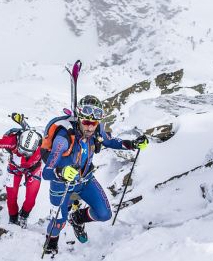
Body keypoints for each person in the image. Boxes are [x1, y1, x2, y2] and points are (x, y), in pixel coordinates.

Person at [41, 95, 148, 255]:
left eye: (94, 123)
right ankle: (50, 246)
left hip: (85, 180)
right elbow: (46, 172)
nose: (90, 127)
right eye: (86, 122)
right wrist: (61, 172)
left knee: (104, 214)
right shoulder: (63, 139)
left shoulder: (97, 130)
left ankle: (77, 218)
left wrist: (132, 144)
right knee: (58, 221)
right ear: (79, 118)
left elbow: (111, 141)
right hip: (61, 185)